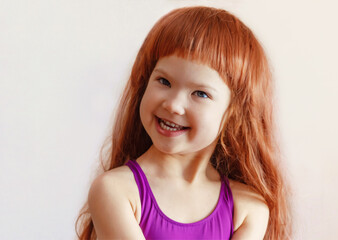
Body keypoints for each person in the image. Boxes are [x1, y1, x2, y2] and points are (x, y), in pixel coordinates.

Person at [75, 6, 291, 240]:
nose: (173, 105)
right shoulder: (114, 191)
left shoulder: (249, 209)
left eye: (200, 93)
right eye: (164, 81)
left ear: (234, 113)